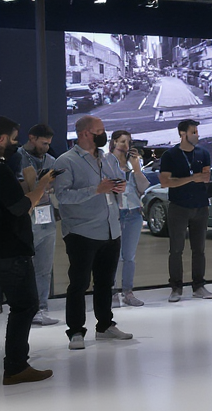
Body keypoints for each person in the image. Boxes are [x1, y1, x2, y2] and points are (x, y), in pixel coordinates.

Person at [53, 115, 132, 350]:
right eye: (100, 130)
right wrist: (95, 189)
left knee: (105, 282)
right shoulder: (65, 161)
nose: (104, 133)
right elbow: (63, 196)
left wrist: (119, 187)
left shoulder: (107, 158)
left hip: (110, 228)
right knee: (78, 283)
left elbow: (115, 182)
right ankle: (76, 331)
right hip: (82, 230)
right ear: (87, 133)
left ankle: (105, 325)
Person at [0, 115, 54, 384]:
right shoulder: (1, 169)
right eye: (12, 138)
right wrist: (40, 187)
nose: (15, 143)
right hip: (10, 250)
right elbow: (20, 207)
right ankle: (16, 366)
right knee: (25, 305)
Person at [160, 119, 212, 302]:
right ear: (183, 134)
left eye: (197, 131)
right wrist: (192, 178)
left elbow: (205, 178)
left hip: (200, 206)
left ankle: (199, 285)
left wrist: (199, 178)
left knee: (199, 249)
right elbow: (165, 181)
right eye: (193, 132)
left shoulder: (203, 153)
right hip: (179, 207)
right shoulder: (170, 155)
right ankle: (176, 287)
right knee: (176, 249)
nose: (197, 135)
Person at [15, 124, 59, 325]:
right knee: (26, 267)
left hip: (47, 219)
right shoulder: (17, 158)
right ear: (32, 138)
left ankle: (42, 308)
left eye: (49, 143)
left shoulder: (51, 160)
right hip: (26, 220)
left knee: (44, 267)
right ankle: (26, 307)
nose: (47, 147)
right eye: (44, 143)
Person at [109, 131, 149, 308]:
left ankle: (128, 291)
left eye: (128, 142)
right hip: (114, 214)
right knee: (113, 256)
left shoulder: (133, 166)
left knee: (129, 256)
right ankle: (112, 291)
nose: (126, 145)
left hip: (133, 212)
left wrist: (137, 168)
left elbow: (142, 188)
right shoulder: (106, 162)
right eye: (122, 141)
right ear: (114, 142)